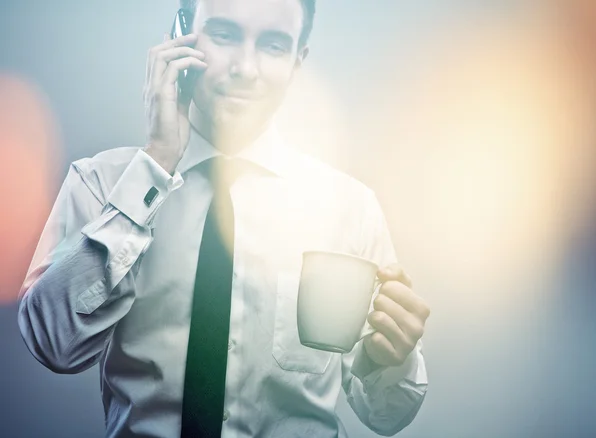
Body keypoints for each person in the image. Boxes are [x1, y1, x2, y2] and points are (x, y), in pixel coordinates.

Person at [17, 0, 430, 437]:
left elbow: (385, 415)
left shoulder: (349, 208)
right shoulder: (102, 184)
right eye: (225, 34)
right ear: (177, 36)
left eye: (273, 44)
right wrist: (156, 163)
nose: (245, 68)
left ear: (297, 61)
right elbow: (52, 343)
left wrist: (392, 359)